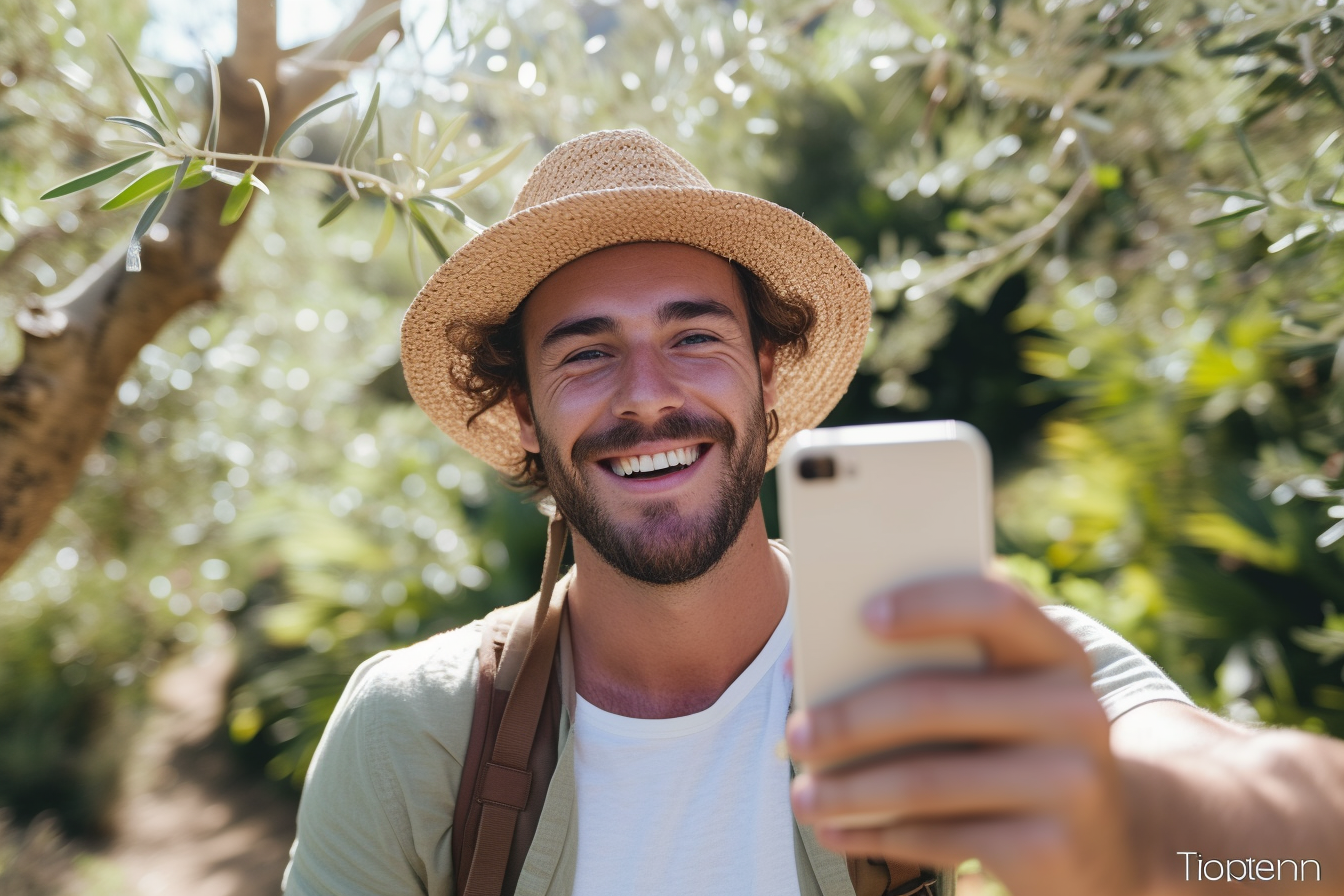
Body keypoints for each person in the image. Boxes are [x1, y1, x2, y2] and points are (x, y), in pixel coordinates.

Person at [283, 130, 1344, 896]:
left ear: (771, 372)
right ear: (522, 412)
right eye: (588, 352)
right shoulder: (412, 733)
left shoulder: (948, 657)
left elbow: (1307, 845)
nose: (648, 392)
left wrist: (1133, 823)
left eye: (695, 336)